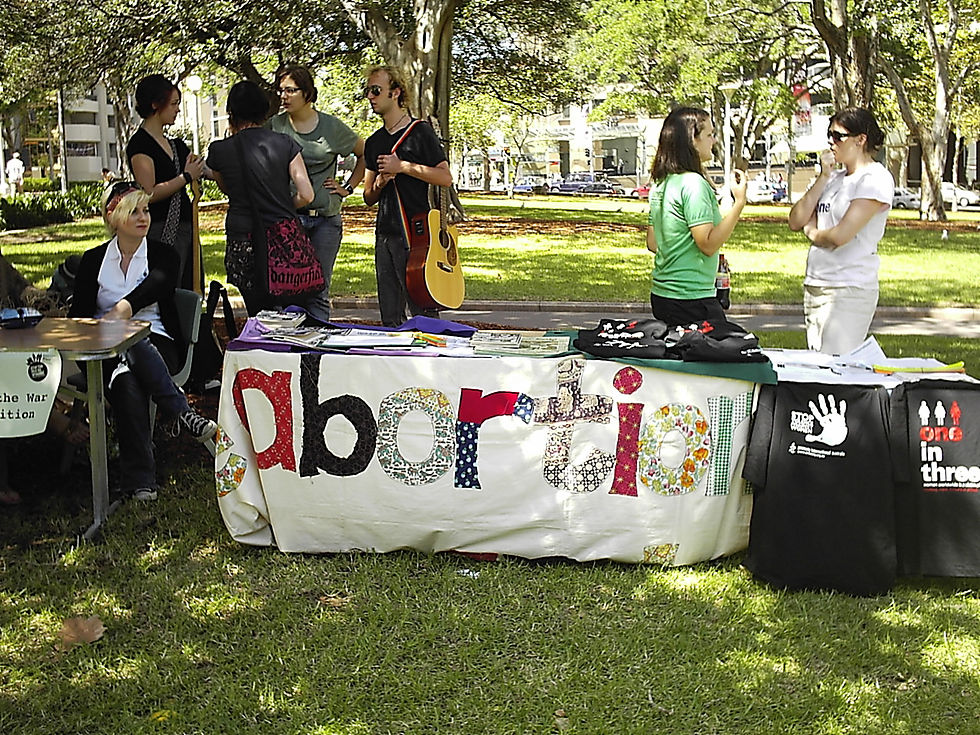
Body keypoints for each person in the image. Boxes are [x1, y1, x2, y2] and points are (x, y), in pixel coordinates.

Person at [68, 181, 217, 501]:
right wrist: (106, 329)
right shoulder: (92, 260)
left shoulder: (163, 255)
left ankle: (140, 481)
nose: (143, 217)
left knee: (133, 345)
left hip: (157, 341)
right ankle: (180, 411)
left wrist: (121, 312)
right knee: (125, 376)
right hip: (103, 348)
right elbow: (78, 315)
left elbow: (156, 287)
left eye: (146, 210)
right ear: (113, 217)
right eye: (133, 211)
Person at [789, 107, 894, 354]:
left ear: (860, 139)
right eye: (829, 135)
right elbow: (796, 219)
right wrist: (823, 178)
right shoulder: (834, 179)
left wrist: (813, 234)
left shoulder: (874, 179)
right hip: (817, 284)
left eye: (838, 136)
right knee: (817, 368)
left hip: (849, 287)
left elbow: (840, 235)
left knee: (835, 368)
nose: (831, 142)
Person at [266, 64, 366, 322]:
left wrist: (348, 187)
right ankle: (289, 351)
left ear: (307, 93)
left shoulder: (332, 127)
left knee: (319, 289)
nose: (284, 96)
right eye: (281, 91)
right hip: (288, 220)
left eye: (290, 90)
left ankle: (317, 356)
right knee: (286, 289)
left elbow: (364, 152)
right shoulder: (274, 126)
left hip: (325, 220)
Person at [206, 81, 314, 316]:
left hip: (242, 237)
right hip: (283, 239)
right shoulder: (286, 144)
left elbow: (226, 188)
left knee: (257, 313)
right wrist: (286, 203)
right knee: (291, 313)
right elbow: (307, 195)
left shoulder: (219, 150)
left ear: (232, 112)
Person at [361, 65, 452, 327]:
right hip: (385, 234)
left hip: (417, 234)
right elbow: (368, 195)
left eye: (376, 90)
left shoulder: (420, 132)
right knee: (390, 317)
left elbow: (444, 177)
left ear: (396, 93)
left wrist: (403, 167)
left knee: (423, 313)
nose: (371, 96)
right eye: (368, 91)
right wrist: (380, 182)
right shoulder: (374, 141)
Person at [645, 107, 747, 327]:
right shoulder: (693, 184)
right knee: (727, 353)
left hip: (662, 295)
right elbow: (708, 244)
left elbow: (654, 243)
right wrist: (739, 204)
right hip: (690, 299)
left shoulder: (661, 183)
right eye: (709, 134)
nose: (714, 140)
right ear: (693, 140)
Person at [126, 74, 205, 292]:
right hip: (160, 230)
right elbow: (148, 193)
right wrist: (185, 178)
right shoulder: (140, 144)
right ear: (155, 104)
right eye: (173, 104)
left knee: (191, 286)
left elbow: (202, 169)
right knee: (168, 287)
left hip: (187, 228)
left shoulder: (176, 145)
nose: (177, 110)